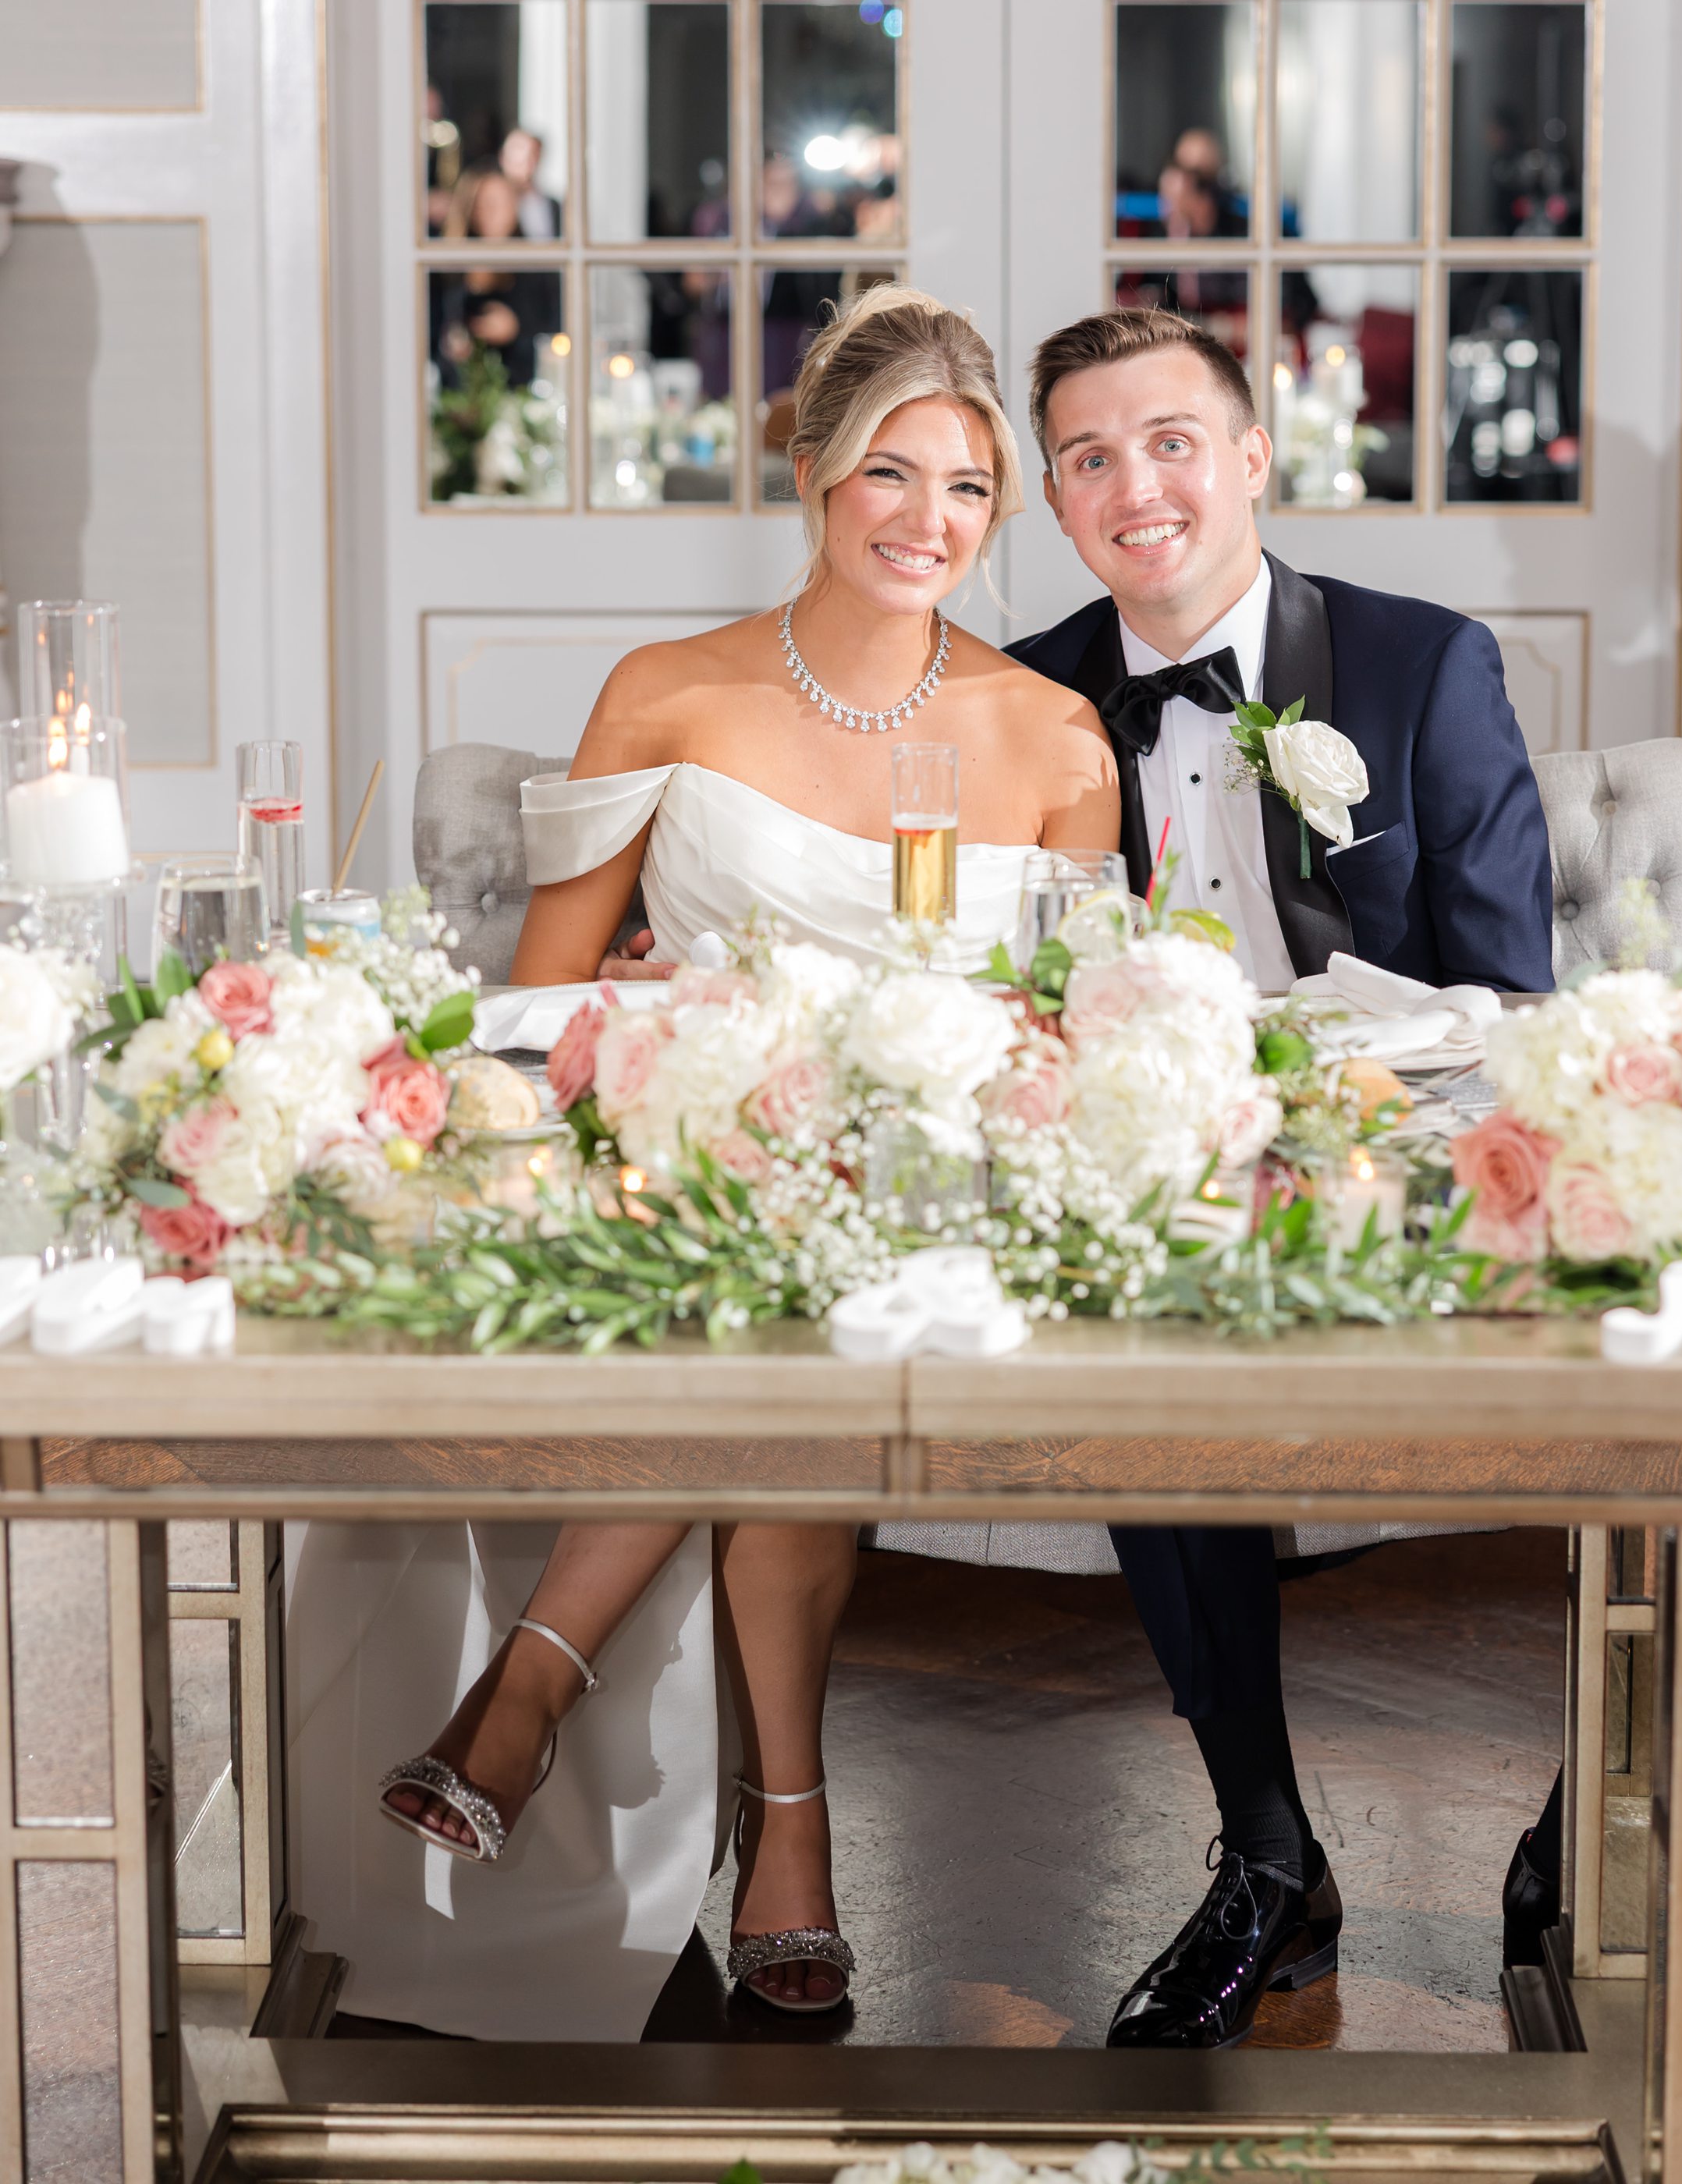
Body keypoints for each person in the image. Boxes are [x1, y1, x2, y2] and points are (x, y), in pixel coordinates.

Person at [317, 287, 1116, 2039]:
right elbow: (541, 1002)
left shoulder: (1056, 741)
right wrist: (661, 1059)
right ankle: (794, 1835)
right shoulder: (668, 694)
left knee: (805, 1274)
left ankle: (522, 1691)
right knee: (765, 1282)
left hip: (938, 1183)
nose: (929, 522)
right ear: (815, 475)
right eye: (889, 474)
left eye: (970, 489)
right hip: (685, 1162)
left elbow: (1073, 1029)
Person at [1010, 303, 1554, 2049]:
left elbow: (1510, 1008)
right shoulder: (1027, 697)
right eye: (1089, 457)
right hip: (1153, 1186)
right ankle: (1267, 1853)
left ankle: (1588, 1811)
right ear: (1053, 497)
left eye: (1171, 441)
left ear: (1251, 457)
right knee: (1133, 1327)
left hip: (1388, 1159)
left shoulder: (1419, 664)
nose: (1134, 486)